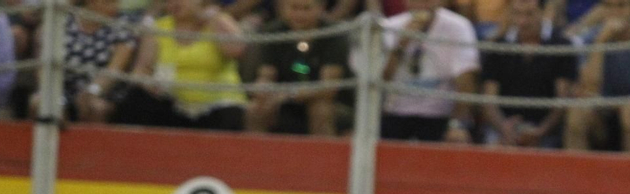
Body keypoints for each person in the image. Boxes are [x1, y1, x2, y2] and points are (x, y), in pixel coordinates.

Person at [116, 0, 247, 130]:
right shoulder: (158, 28)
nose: (174, 3)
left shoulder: (218, 21)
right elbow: (140, 70)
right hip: (171, 103)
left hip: (217, 105)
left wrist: (214, 17)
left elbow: (236, 50)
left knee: (229, 115)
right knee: (137, 98)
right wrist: (151, 85)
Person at [366, 0, 479, 142]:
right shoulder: (390, 26)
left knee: (458, 137)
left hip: (440, 115)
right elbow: (379, 80)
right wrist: (402, 43)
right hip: (396, 113)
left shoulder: (459, 27)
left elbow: (466, 81)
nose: (422, 4)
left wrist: (456, 124)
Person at [567, 0, 630, 150]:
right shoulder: (588, 39)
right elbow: (589, 89)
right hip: (601, 112)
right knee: (577, 115)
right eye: (608, 6)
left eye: (621, 6)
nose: (615, 12)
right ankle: (575, 172)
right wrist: (601, 42)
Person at [479, 0, 577, 148]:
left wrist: (541, 131)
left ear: (544, 13)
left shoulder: (562, 45)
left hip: (547, 133)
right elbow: (488, 99)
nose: (522, 22)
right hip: (502, 128)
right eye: (517, 14)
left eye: (529, 14)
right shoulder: (498, 46)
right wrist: (504, 128)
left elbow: (562, 99)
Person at [247, 0, 348, 135]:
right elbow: (266, 74)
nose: (300, 14)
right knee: (256, 109)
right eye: (294, 8)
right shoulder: (273, 32)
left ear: (321, 8)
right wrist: (262, 90)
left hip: (333, 103)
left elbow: (328, 89)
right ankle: (257, 154)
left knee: (320, 109)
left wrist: (289, 94)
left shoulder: (333, 35)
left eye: (306, 9)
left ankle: (321, 155)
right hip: (283, 100)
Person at [54, 0, 137, 123]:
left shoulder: (122, 23)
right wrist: (57, 97)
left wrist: (93, 90)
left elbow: (116, 67)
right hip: (63, 89)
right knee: (43, 103)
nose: (115, 8)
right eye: (108, 2)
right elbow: (45, 63)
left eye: (117, 2)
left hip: (102, 92)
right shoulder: (64, 19)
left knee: (96, 107)